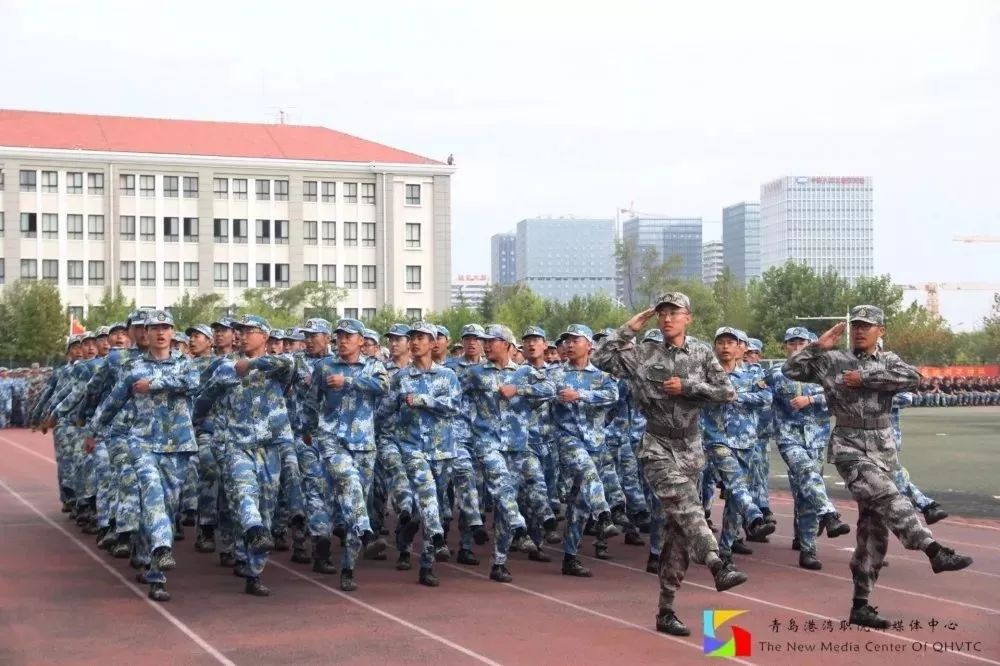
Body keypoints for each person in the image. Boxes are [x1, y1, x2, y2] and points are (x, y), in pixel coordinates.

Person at [783, 306, 974, 628]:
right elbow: (790, 369)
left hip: (883, 450)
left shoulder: (889, 361)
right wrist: (818, 346)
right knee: (888, 496)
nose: (859, 330)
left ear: (880, 331)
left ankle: (861, 604)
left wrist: (866, 378)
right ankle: (933, 550)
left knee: (873, 532)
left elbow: (914, 378)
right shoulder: (834, 360)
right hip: (849, 447)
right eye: (855, 325)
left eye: (867, 326)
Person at [592, 293, 748, 637]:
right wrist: (631, 326)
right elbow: (600, 357)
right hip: (657, 446)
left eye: (674, 313)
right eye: (661, 313)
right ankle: (717, 562)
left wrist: (687, 387)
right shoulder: (643, 353)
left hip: (690, 448)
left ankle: (666, 608)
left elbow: (727, 392)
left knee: (679, 532)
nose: (666, 318)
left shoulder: (702, 353)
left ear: (687, 317)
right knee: (689, 506)